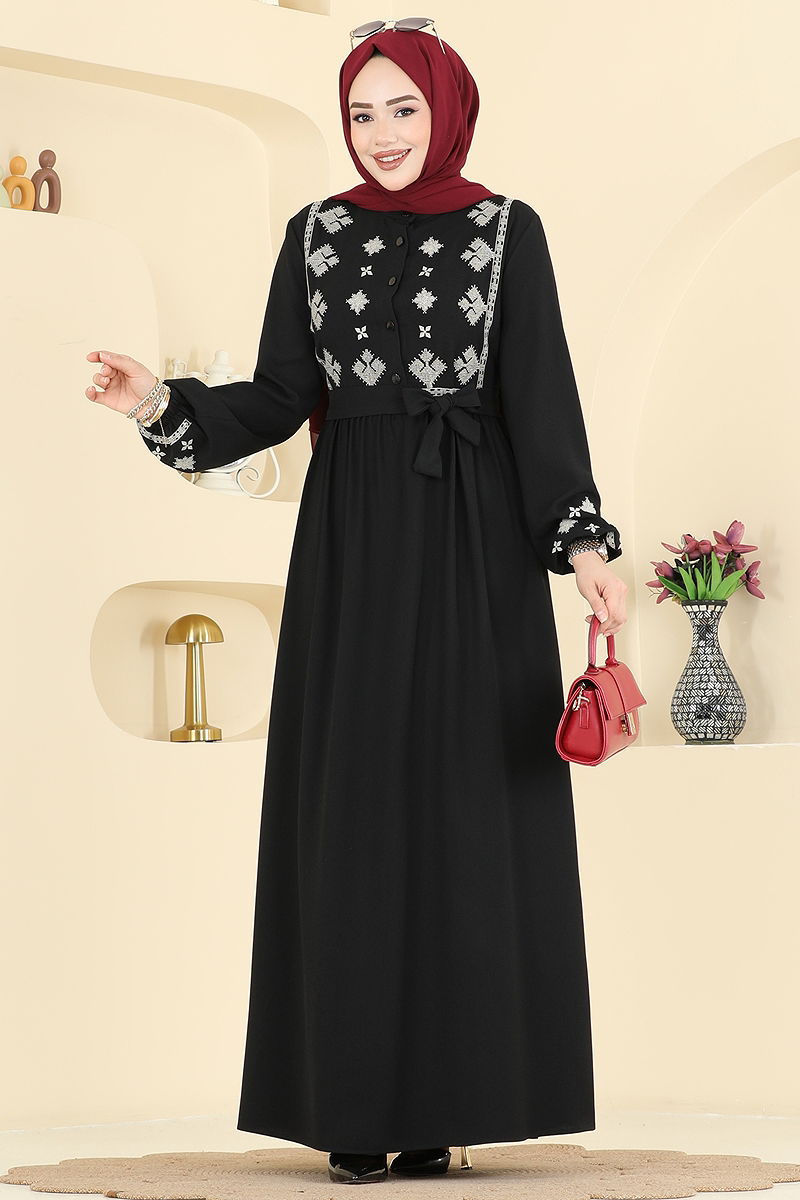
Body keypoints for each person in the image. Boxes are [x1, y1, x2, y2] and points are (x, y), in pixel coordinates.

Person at [85, 21, 627, 1187]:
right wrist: (158, 403)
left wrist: (581, 541)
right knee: (356, 808)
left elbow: (541, 398)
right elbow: (280, 396)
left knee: (467, 807)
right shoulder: (315, 235)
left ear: (446, 110)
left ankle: (445, 1107)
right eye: (361, 113)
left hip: (477, 543)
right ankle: (351, 1104)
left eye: (402, 109)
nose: (381, 134)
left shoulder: (505, 232)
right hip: (353, 543)